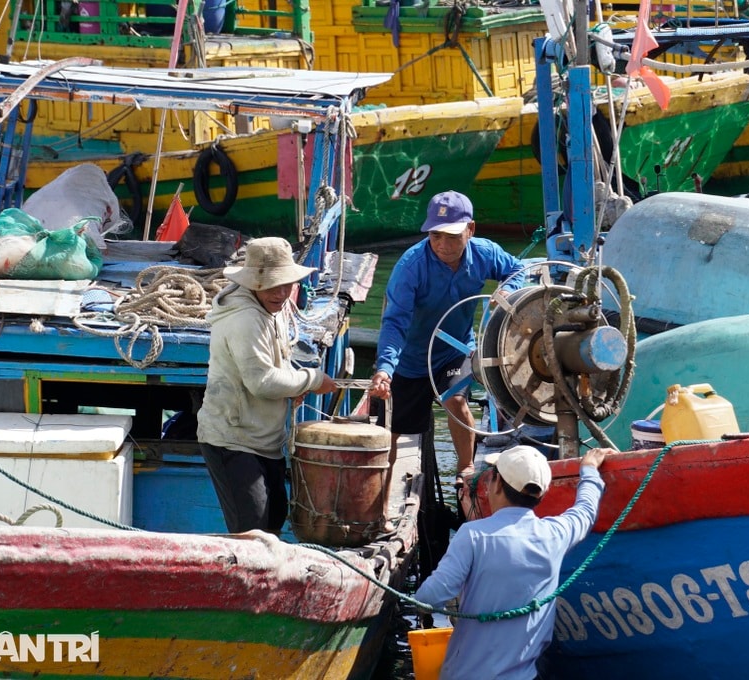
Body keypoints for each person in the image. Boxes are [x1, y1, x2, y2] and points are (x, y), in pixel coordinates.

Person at [369, 190, 524, 487]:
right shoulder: (410, 266)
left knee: (454, 399)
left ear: (471, 229)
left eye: (452, 236)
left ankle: (465, 473)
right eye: (436, 235)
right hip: (411, 359)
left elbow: (518, 269)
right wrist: (385, 369)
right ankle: (379, 489)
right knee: (395, 428)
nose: (443, 245)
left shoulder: (485, 253)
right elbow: (394, 323)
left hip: (455, 349)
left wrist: (508, 290)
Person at [414, 444, 609, 679]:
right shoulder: (555, 534)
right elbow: (585, 511)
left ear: (496, 484)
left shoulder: (473, 535)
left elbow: (430, 598)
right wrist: (589, 470)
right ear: (542, 494)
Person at [198, 237, 337, 534]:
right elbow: (262, 381)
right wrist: (311, 380)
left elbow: (278, 362)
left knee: (273, 520)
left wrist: (293, 386)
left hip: (265, 441)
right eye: (274, 285)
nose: (282, 293)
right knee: (253, 532)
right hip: (232, 440)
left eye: (287, 284)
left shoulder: (271, 308)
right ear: (254, 284)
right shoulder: (245, 319)